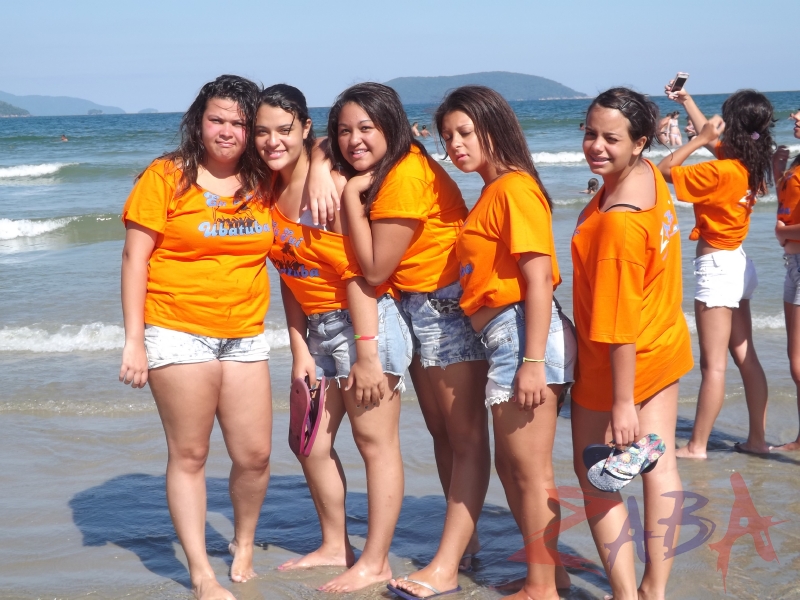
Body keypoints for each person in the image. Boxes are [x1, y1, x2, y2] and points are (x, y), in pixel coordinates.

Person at [328, 82, 490, 598]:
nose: (353, 140)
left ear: (392, 127)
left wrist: (349, 196)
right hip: (419, 304)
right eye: (344, 130)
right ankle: (465, 544)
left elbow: (375, 268)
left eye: (366, 128)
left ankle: (449, 563)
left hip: (445, 307)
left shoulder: (404, 176)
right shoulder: (394, 166)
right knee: (445, 435)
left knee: (464, 439)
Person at [118, 75, 273, 600]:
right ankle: (202, 574)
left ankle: (243, 543)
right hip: (177, 329)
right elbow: (134, 259)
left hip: (246, 334)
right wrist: (134, 340)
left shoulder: (264, 179)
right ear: (198, 121)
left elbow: (312, 152)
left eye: (238, 122)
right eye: (216, 120)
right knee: (190, 454)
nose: (226, 131)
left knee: (254, 456)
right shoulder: (166, 176)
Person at [255, 84, 412, 592]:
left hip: (363, 325)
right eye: (262, 131)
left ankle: (376, 561)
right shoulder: (268, 186)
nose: (272, 141)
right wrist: (299, 348)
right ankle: (333, 545)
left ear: (305, 127)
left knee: (374, 445)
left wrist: (367, 353)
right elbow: (290, 274)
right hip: (317, 332)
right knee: (308, 443)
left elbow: (359, 275)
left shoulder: (332, 185)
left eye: (284, 129)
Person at [431, 85, 576, 600]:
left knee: (529, 471)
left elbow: (538, 280)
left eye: (465, 132)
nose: (455, 145)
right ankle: (551, 577)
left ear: (494, 128)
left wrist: (532, 361)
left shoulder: (515, 188)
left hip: (523, 336)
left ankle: (541, 589)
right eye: (448, 137)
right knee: (513, 468)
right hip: (505, 338)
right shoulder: (493, 190)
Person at [572, 87, 692, 600]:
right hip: (664, 342)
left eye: (611, 138)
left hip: (618, 364)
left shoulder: (619, 222)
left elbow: (617, 324)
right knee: (661, 468)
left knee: (595, 477)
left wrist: (622, 402)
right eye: (590, 133)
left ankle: (626, 594)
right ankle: (653, 590)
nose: (596, 146)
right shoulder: (649, 178)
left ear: (639, 141)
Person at [659, 84, 774, 458]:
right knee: (746, 358)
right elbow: (716, 143)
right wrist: (687, 101)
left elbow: (664, 170)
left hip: (717, 269)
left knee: (714, 367)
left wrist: (696, 140)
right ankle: (757, 440)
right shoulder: (749, 164)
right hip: (739, 265)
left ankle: (697, 446)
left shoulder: (719, 171)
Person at [772, 109, 800, 451]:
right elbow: (788, 206)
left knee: (798, 363)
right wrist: (778, 169)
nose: (795, 115)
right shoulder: (795, 163)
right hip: (793, 263)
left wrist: (783, 233)